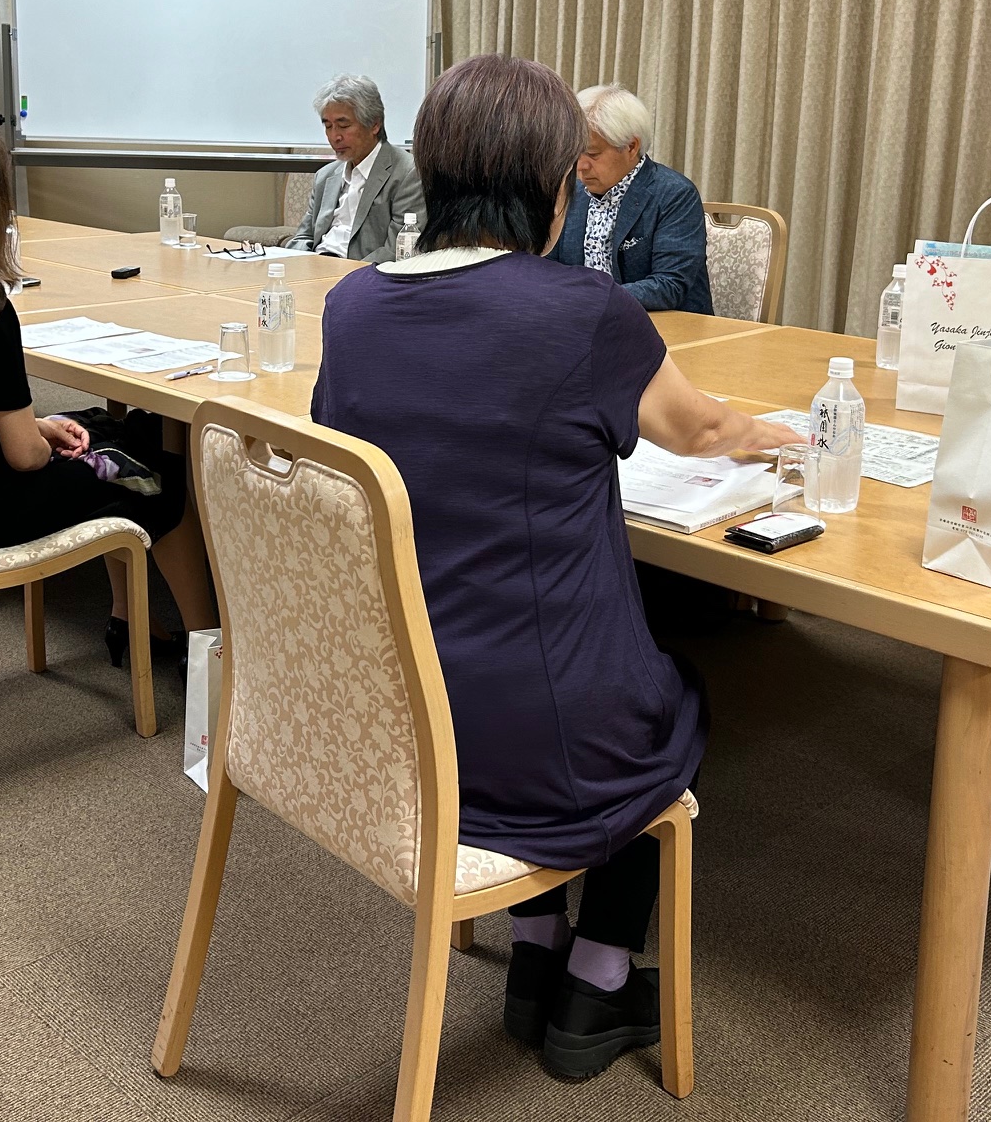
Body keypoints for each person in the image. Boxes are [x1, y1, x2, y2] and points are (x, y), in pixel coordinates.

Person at [312, 54, 800, 1079]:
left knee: (552, 668)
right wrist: (777, 436)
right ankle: (598, 983)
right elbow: (700, 429)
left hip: (408, 712)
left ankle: (535, 951)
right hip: (541, 740)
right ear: (552, 181)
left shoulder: (350, 309)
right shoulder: (581, 315)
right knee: (671, 699)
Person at [0, 113, 215, 651]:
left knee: (103, 429)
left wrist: (42, 426)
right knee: (156, 473)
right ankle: (209, 649)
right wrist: (36, 438)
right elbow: (25, 458)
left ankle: (129, 618)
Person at [550, 84, 712, 313]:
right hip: (584, 325)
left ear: (631, 146)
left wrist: (590, 297)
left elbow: (669, 285)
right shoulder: (571, 191)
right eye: (575, 153)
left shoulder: (674, 195)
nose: (581, 166)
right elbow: (550, 267)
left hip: (664, 330)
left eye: (593, 154)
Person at [285, 74, 424, 262]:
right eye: (328, 126)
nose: (335, 137)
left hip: (360, 276)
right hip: (316, 266)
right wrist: (298, 263)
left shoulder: (408, 173)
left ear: (375, 124)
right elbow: (304, 237)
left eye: (343, 125)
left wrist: (346, 277)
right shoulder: (325, 176)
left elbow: (396, 252)